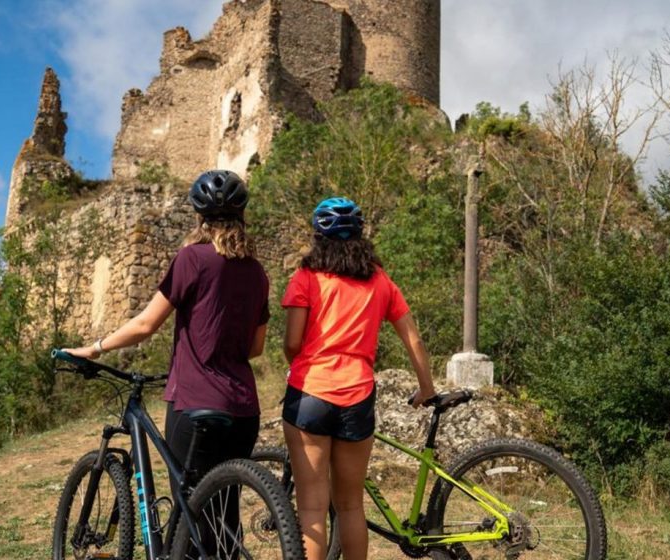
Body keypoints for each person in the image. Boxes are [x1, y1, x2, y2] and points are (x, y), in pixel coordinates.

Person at [64, 170, 270, 543]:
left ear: (199, 218)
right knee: (225, 513)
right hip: (244, 408)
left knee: (188, 513)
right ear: (242, 217)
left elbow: (146, 325)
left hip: (195, 403)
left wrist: (94, 348)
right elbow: (255, 348)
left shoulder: (193, 259)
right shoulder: (258, 273)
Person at [281, 197, 437, 560]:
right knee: (351, 506)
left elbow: (292, 341)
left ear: (318, 237)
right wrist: (427, 387)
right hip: (357, 396)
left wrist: (299, 364)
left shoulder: (306, 277)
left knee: (312, 510)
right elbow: (413, 338)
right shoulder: (381, 281)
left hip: (310, 393)